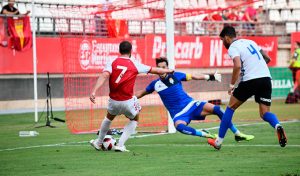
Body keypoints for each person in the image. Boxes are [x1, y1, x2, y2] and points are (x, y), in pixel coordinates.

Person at [136, 57, 254, 141]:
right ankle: (206, 134)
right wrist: (129, 98)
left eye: (163, 67)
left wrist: (210, 77)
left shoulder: (176, 75)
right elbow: (142, 92)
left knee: (218, 109)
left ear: (167, 68)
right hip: (178, 115)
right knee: (180, 127)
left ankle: (237, 133)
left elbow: (193, 76)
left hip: (192, 105)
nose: (161, 69)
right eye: (159, 67)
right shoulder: (154, 84)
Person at [208, 26, 287, 150]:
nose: (223, 43)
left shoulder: (233, 47)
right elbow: (267, 58)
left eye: (222, 40)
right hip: (266, 79)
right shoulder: (250, 42)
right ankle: (277, 125)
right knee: (265, 113)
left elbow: (237, 66)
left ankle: (218, 141)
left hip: (251, 80)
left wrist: (231, 85)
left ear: (227, 38)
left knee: (230, 108)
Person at [89, 41, 174, 152]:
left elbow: (104, 75)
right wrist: (168, 70)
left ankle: (99, 142)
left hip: (113, 101)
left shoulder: (112, 62)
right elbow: (155, 70)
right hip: (127, 101)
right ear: (131, 51)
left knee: (109, 117)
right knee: (135, 118)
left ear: (119, 51)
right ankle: (120, 144)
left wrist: (94, 91)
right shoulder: (135, 63)